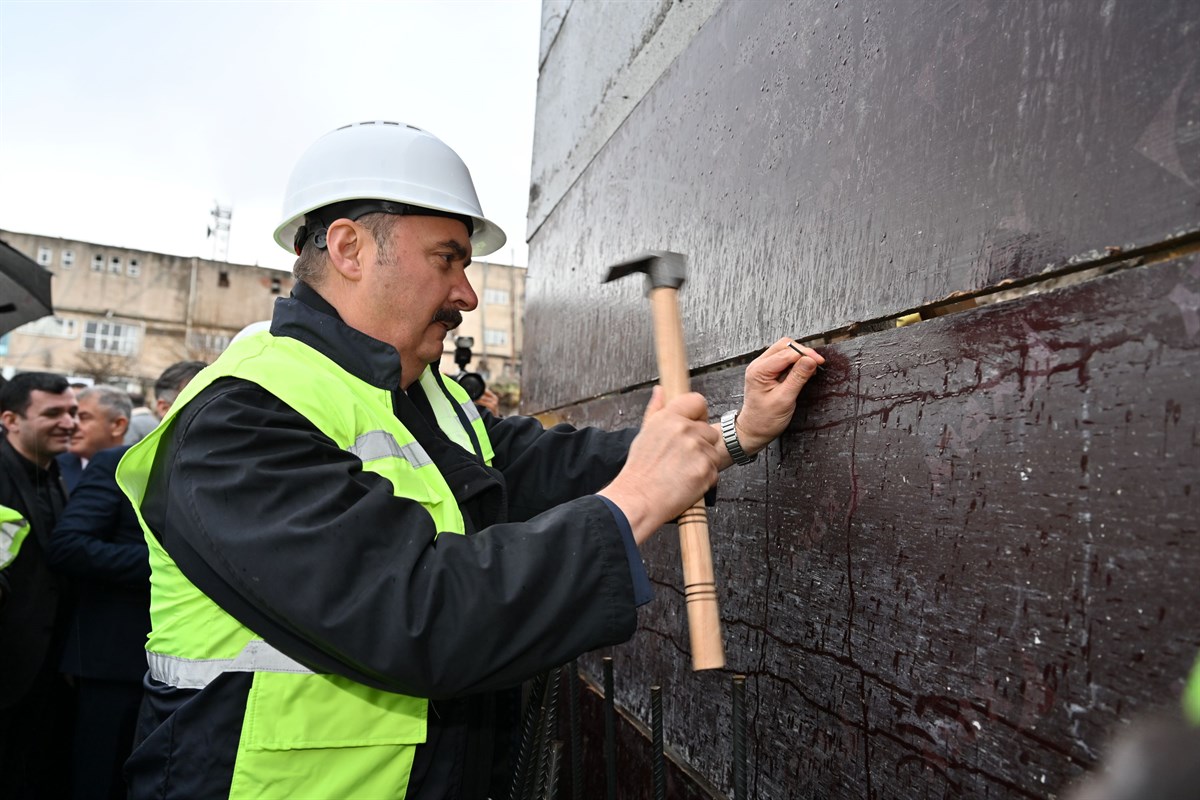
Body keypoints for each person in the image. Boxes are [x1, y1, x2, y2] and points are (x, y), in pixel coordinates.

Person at [115, 120, 825, 799]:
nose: (467, 293)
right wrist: (639, 498)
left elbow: (542, 469)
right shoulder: (237, 422)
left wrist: (736, 433)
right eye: (446, 259)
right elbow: (415, 613)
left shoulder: (422, 393)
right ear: (350, 248)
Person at [46, 363, 204, 800]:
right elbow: (69, 546)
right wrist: (166, 564)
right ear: (161, 406)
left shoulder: (218, 470)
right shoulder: (117, 465)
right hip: (112, 661)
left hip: (186, 666)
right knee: (98, 779)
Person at [0, 372, 79, 799]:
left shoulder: (60, 474)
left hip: (46, 669)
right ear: (10, 419)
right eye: (52, 413)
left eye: (72, 411)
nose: (69, 422)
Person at [57, 384, 132, 490]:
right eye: (73, 416)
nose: (72, 425)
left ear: (118, 425)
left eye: (84, 417)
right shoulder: (53, 468)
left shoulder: (140, 473)